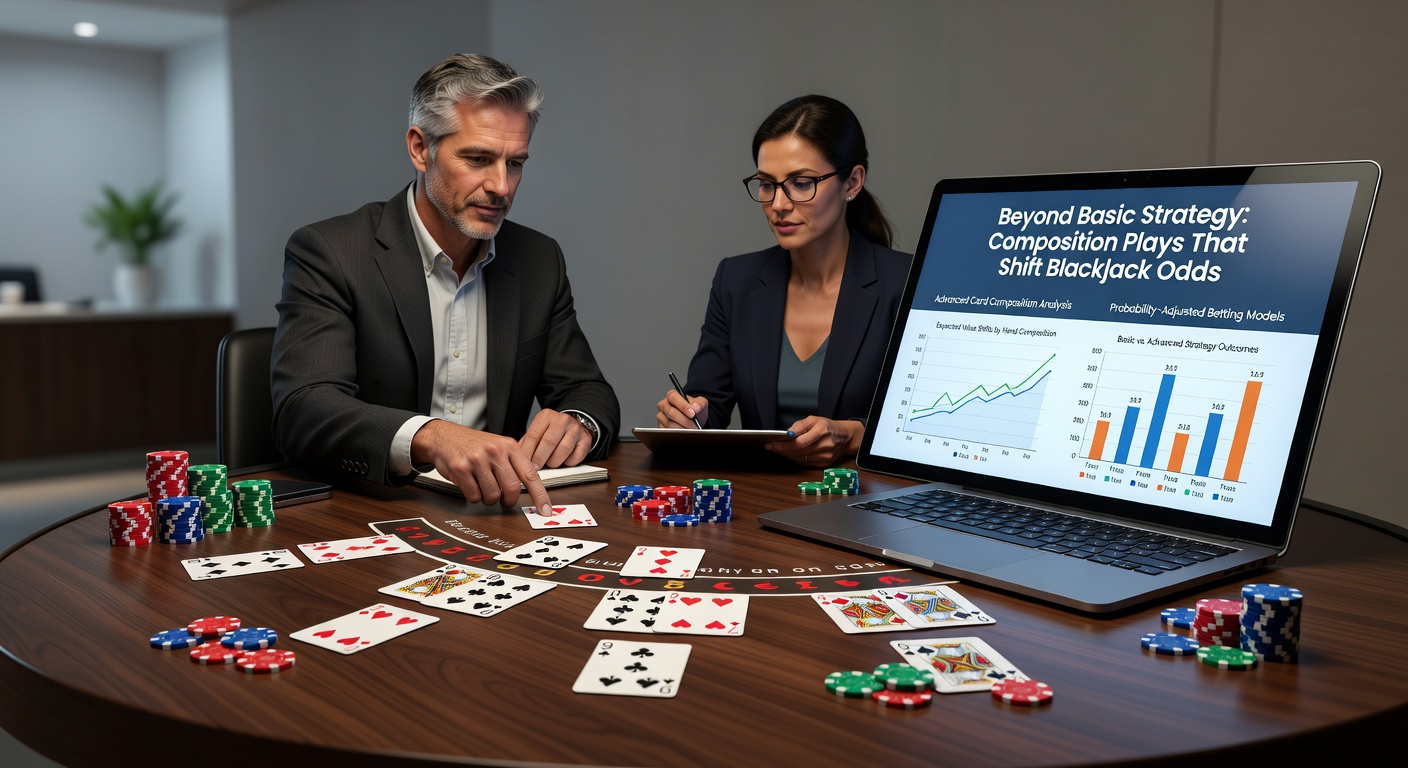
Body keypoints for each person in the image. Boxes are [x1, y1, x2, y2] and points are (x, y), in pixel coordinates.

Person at [271, 53, 619, 514]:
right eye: (478, 159)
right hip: (373, 509)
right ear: (420, 149)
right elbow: (304, 408)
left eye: (515, 163)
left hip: (498, 513)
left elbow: (590, 392)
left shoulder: (539, 259)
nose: (502, 186)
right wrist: (431, 436)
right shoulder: (330, 251)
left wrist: (578, 423)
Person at [656, 95, 911, 467]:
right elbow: (708, 404)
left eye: (801, 183)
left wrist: (854, 435)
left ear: (853, 182)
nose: (778, 204)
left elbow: (931, 428)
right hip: (761, 495)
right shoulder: (736, 281)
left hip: (867, 496)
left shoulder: (907, 283)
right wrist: (689, 416)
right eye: (766, 184)